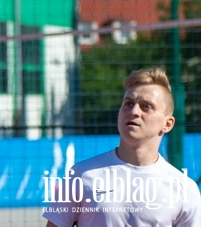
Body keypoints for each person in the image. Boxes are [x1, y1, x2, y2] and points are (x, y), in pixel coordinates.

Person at [43, 67, 201, 227]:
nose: (133, 111)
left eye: (146, 106)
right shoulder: (81, 175)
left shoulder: (185, 190)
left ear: (167, 124)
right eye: (128, 103)